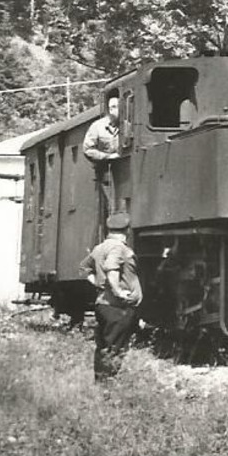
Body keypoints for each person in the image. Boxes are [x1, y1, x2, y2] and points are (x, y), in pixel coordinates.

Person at [78, 211, 143, 381]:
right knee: (116, 348)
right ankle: (107, 388)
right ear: (127, 230)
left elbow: (84, 268)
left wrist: (99, 284)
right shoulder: (118, 248)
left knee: (104, 347)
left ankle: (100, 383)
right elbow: (111, 268)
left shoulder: (100, 247)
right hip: (117, 307)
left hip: (103, 304)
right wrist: (118, 291)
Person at [83, 95, 123, 222]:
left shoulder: (126, 126)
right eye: (115, 107)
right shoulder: (97, 127)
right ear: (110, 109)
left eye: (120, 107)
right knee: (111, 207)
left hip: (124, 172)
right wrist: (107, 156)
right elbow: (88, 149)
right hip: (106, 173)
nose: (119, 110)